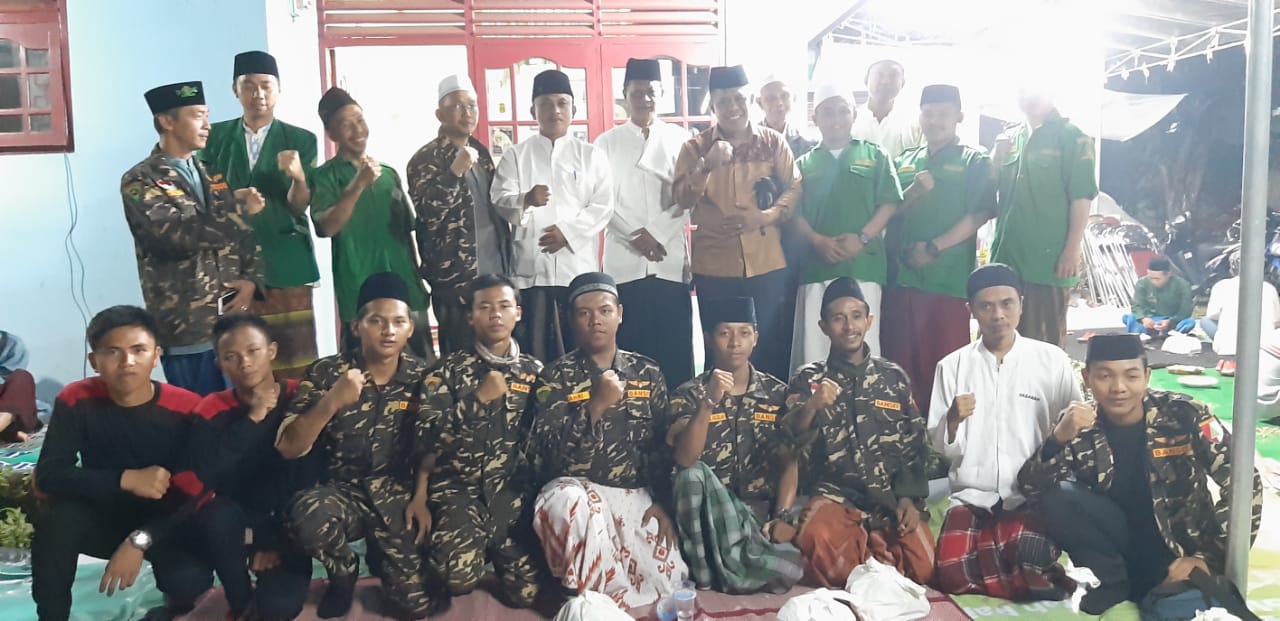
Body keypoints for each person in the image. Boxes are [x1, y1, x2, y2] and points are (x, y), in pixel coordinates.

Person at [1019, 334, 1263, 615]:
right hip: (1119, 545)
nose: (1118, 387)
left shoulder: (1183, 414)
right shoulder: (1079, 426)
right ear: (1086, 378)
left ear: (1147, 376)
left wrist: (1208, 557)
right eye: (1105, 376)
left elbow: (1245, 482)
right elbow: (1032, 490)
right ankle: (1115, 583)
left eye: (1131, 376)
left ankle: (1162, 587)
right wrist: (1057, 439)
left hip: (1181, 550)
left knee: (1183, 610)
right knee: (1058, 496)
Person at [275, 272, 440, 618]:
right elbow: (288, 447)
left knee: (414, 607)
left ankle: (384, 554)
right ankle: (343, 572)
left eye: (398, 322)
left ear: (411, 328)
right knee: (307, 515)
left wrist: (421, 497)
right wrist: (332, 400)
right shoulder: (327, 373)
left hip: (398, 497)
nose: (388, 331)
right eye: (376, 321)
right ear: (356, 327)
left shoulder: (426, 378)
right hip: (343, 492)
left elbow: (434, 447)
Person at [32, 306, 211, 621]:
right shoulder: (77, 399)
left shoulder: (187, 408)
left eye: (138, 350)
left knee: (188, 581)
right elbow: (49, 474)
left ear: (156, 355)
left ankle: (176, 610)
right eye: (113, 352)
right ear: (94, 361)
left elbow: (196, 493)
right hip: (104, 516)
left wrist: (140, 540)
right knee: (56, 521)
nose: (127, 361)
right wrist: (125, 479)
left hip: (166, 522)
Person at [529, 272, 688, 609]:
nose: (595, 321)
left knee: (666, 582)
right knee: (567, 501)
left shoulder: (647, 373)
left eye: (604, 310)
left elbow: (664, 448)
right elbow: (550, 457)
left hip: (635, 495)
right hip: (581, 497)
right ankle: (583, 603)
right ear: (569, 319)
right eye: (584, 313)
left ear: (620, 313)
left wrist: (664, 501)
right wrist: (595, 406)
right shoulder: (554, 377)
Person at [928, 264, 1079, 600]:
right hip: (972, 494)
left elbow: (1073, 426)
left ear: (1021, 303)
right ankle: (997, 557)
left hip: (1030, 494)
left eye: (1007, 303)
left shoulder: (1051, 360)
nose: (998, 314)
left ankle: (1001, 556)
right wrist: (951, 420)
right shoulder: (951, 366)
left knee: (1033, 567)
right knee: (951, 574)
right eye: (986, 306)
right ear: (970, 310)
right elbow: (941, 447)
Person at [777, 278, 933, 587]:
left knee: (924, 568)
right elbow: (787, 436)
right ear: (823, 327)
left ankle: (866, 555)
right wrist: (812, 405)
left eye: (856, 316)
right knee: (816, 539)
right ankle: (873, 563)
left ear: (869, 321)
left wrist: (909, 498)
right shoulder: (808, 378)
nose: (849, 326)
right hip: (836, 497)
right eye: (838, 318)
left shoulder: (893, 377)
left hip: (888, 498)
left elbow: (915, 441)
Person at [121, 80, 265, 396]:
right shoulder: (140, 179)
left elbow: (243, 235)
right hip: (187, 326)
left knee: (242, 411)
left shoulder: (211, 173)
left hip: (232, 323)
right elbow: (173, 236)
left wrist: (251, 281)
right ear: (167, 121)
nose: (207, 125)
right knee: (199, 413)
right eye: (198, 116)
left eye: (207, 116)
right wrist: (237, 209)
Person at [184, 313, 323, 621]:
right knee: (215, 515)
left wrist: (278, 545)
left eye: (253, 351)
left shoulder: (301, 396)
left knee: (278, 609)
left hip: (289, 525)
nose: (244, 363)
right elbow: (207, 472)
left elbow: (312, 474)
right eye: (231, 357)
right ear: (219, 364)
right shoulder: (211, 409)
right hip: (237, 524)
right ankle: (240, 600)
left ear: (271, 350)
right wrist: (254, 417)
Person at [419, 274, 544, 609]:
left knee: (527, 595)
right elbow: (424, 439)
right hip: (458, 490)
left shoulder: (535, 372)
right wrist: (476, 401)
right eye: (484, 307)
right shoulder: (446, 371)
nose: (495, 315)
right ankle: (446, 552)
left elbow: (543, 440)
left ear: (518, 312)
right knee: (457, 578)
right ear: (470, 316)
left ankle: (493, 549)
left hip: (510, 494)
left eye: (504, 306)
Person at [667, 296, 804, 594]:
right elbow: (685, 459)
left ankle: (733, 566)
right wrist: (709, 402)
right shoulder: (688, 394)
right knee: (690, 476)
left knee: (799, 554)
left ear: (756, 338)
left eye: (744, 333)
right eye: (724, 333)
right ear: (708, 339)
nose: (734, 343)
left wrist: (782, 516)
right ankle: (719, 572)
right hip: (708, 516)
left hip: (759, 515)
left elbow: (789, 461)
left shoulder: (777, 394)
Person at [673, 65, 800, 380]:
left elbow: (795, 187)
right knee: (720, 349)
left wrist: (767, 215)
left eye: (739, 99)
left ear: (751, 100)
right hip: (715, 266)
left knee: (770, 346)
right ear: (712, 107)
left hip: (767, 263)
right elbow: (682, 200)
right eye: (723, 101)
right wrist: (706, 166)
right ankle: (719, 408)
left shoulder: (772, 142)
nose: (733, 107)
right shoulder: (695, 148)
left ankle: (768, 409)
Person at [202, 51, 321, 380]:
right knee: (242, 361)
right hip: (234, 265)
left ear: (279, 89)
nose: (259, 94)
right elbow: (203, 200)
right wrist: (234, 200)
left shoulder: (301, 139)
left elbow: (299, 206)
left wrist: (298, 178)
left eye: (266, 85)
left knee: (295, 362)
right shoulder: (214, 138)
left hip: (286, 262)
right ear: (235, 90)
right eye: (249, 86)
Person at [881, 84, 994, 414]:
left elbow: (980, 213)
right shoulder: (903, 160)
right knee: (898, 370)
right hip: (901, 282)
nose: (935, 121)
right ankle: (902, 436)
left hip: (947, 283)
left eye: (943, 114)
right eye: (928, 114)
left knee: (945, 371)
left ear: (959, 116)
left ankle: (945, 439)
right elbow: (888, 210)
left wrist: (934, 247)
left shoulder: (974, 160)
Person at [491, 69, 612, 363]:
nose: (554, 110)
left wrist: (567, 233)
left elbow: (603, 205)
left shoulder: (591, 155)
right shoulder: (516, 155)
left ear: (573, 110)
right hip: (532, 270)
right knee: (534, 353)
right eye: (545, 103)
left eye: (562, 103)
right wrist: (526, 199)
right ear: (533, 111)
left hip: (576, 268)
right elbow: (499, 199)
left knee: (579, 352)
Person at [310, 87, 434, 361]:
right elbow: (326, 227)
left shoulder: (388, 174)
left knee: (421, 369)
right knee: (363, 371)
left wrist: (417, 281)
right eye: (346, 124)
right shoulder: (324, 177)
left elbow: (406, 234)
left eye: (360, 120)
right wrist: (357, 185)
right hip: (358, 290)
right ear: (331, 134)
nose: (357, 130)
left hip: (405, 288)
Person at [595, 58, 694, 388]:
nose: (645, 99)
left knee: (675, 353)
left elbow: (690, 197)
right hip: (625, 262)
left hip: (669, 261)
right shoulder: (605, 143)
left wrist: (658, 233)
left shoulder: (682, 139)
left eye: (652, 92)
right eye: (637, 93)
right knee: (630, 354)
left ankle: (676, 416)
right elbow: (599, 200)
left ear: (662, 93)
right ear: (625, 95)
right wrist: (635, 236)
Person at [790, 83, 902, 372]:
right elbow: (793, 213)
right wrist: (817, 240)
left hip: (863, 265)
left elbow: (889, 203)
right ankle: (814, 400)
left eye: (843, 111)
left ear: (854, 114)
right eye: (828, 112)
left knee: (864, 346)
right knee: (814, 348)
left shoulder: (876, 155)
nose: (836, 119)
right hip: (817, 267)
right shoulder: (802, 164)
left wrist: (862, 238)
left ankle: (864, 399)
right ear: (815, 118)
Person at [409, 74, 512, 358]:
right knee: (459, 358)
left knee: (497, 353)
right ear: (439, 114)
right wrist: (454, 172)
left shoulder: (481, 153)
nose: (467, 113)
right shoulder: (425, 158)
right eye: (457, 106)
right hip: (454, 279)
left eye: (471, 105)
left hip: (494, 272)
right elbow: (428, 214)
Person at [990, 85, 1098, 348]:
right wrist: (996, 157)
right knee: (999, 340)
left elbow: (1081, 197)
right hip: (1006, 257)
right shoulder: (1010, 138)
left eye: (1035, 91)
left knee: (1043, 343)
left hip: (1046, 262)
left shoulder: (1073, 138)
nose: (1028, 98)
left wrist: (1071, 250)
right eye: (1022, 92)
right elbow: (988, 187)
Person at [1201, 253, 1280, 356]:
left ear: (1232, 269)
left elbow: (1212, 315)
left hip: (1228, 349)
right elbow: (1277, 320)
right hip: (1266, 349)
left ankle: (1226, 341)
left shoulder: (1222, 286)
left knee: (1204, 321)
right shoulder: (1269, 289)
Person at [850, 60, 922, 159]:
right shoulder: (850, 120)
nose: (885, 81)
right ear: (866, 80)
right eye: (879, 75)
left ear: (903, 83)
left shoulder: (916, 122)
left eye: (893, 76)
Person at [1123, 257, 1194, 337]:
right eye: (1151, 278)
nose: (1153, 282)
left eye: (1157, 279)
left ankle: (1166, 333)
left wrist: (1169, 321)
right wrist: (1143, 319)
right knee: (1131, 317)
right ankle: (1141, 336)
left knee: (1189, 322)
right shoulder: (1142, 283)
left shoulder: (1182, 285)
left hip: (1171, 319)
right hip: (1150, 319)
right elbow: (1136, 306)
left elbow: (1185, 311)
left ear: (1168, 274)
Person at [757, 74, 817, 159]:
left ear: (793, 98)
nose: (779, 103)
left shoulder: (807, 143)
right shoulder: (750, 140)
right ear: (760, 103)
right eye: (771, 98)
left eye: (784, 96)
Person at [0, 330, 40, 443]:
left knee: (22, 377)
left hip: (11, 410)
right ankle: (8, 433)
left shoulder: (12, 343)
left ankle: (6, 423)